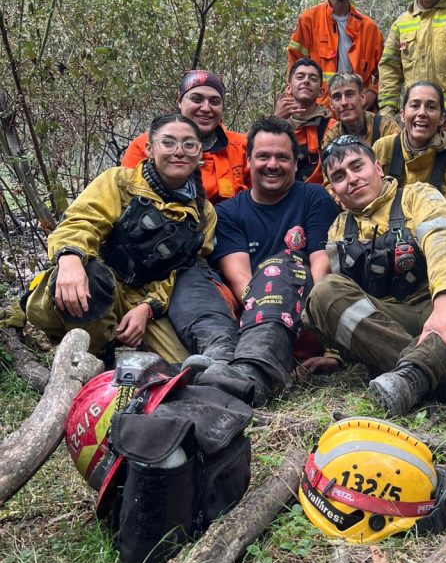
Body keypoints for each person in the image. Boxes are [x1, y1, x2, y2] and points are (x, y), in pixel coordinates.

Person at [304, 136, 446, 417]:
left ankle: (412, 374)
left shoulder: (416, 195)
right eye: (339, 176)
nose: (351, 178)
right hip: (391, 324)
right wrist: (333, 355)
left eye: (357, 166)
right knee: (323, 291)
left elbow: (442, 238)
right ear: (333, 190)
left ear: (377, 167)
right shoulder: (338, 228)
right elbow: (344, 299)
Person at [170, 116, 338, 405]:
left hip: (302, 317)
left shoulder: (314, 197)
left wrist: (326, 337)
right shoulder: (229, 212)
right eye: (263, 156)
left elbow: (321, 264)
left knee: (282, 264)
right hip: (246, 318)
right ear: (248, 161)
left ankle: (252, 376)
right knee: (189, 273)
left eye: (282, 157)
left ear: (295, 164)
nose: (272, 164)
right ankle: (220, 359)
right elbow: (240, 282)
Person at [27, 114, 216, 364]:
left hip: (143, 301)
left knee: (181, 368)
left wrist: (147, 309)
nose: (179, 151)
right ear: (149, 149)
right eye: (168, 143)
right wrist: (70, 258)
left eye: (189, 144)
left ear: (199, 152)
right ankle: (97, 357)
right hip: (100, 283)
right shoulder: (120, 182)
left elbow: (181, 274)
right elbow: (82, 221)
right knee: (92, 276)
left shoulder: (204, 213)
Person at [373, 81, 446, 248]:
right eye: (414, 105)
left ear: (442, 117)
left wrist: (429, 247)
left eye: (431, 107)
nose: (422, 113)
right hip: (385, 248)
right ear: (402, 114)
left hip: (438, 249)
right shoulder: (382, 149)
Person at [123, 70, 248, 204]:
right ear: (180, 101)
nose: (206, 108)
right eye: (196, 99)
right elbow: (125, 197)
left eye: (215, 101)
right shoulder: (146, 145)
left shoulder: (242, 146)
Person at [287, 0, 384, 107]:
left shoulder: (369, 29)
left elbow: (386, 72)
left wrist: (373, 93)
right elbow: (294, 68)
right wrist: (294, 106)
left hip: (357, 111)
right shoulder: (309, 21)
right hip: (318, 111)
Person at [274, 58, 334, 185]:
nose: (306, 81)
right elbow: (249, 151)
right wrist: (274, 120)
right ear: (288, 88)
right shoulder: (274, 124)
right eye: (300, 77)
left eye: (313, 79)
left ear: (321, 91)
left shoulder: (331, 126)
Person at [323, 72, 399, 149]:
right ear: (331, 104)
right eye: (337, 97)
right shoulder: (331, 138)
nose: (344, 102)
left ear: (362, 97)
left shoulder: (386, 128)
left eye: (349, 94)